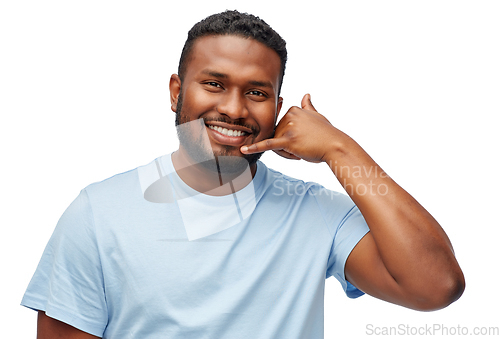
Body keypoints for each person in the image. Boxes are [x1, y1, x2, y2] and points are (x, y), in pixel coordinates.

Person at [22, 10, 465, 339]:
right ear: (177, 91)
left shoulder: (317, 213)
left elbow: (437, 286)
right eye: (214, 84)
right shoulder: (98, 214)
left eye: (256, 92)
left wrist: (339, 148)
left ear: (277, 107)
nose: (233, 109)